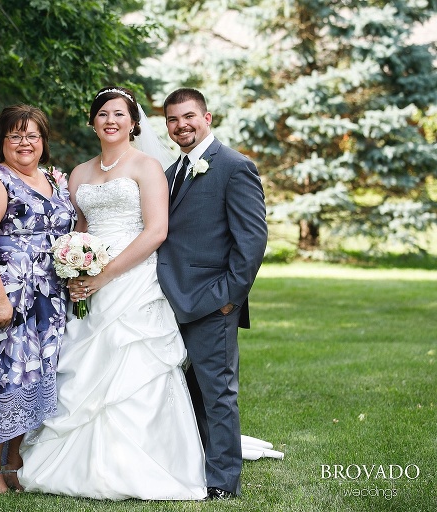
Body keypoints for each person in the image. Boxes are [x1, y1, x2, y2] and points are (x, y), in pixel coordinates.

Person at [18, 87, 207, 500]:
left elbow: (156, 231)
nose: (110, 121)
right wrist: (74, 265)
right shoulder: (80, 173)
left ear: (133, 122)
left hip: (133, 281)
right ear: (93, 122)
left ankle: (141, 464)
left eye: (119, 114)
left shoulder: (147, 167)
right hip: (89, 281)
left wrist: (105, 275)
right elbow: (79, 230)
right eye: (102, 114)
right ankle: (71, 464)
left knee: (134, 366)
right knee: (84, 366)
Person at [0, 104, 76, 494]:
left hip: (47, 300)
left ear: (44, 141)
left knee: (30, 376)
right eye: (15, 135)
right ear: (1, 141)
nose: (25, 143)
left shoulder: (54, 179)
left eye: (32, 135)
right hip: (6, 295)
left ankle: (14, 463)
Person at [157, 87, 268, 500]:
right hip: (170, 301)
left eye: (188, 116)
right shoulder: (171, 172)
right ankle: (196, 463)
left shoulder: (235, 167)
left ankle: (223, 481)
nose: (181, 125)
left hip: (213, 301)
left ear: (207, 117)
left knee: (217, 393)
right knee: (187, 391)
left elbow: (252, 242)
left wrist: (228, 298)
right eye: (172, 120)